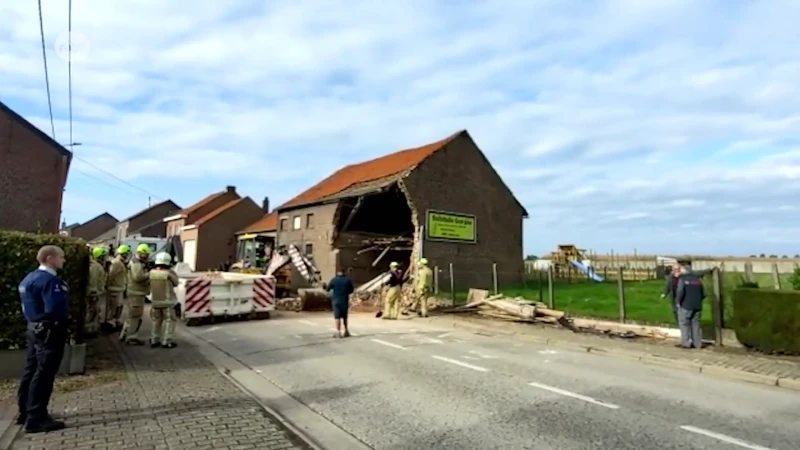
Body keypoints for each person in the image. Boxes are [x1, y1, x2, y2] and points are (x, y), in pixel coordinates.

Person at [16, 245, 69, 433]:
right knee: (44, 374)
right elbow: (54, 309)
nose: (63, 260)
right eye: (61, 257)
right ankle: (36, 417)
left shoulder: (29, 278)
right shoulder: (49, 281)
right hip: (48, 332)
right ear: (49, 258)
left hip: (33, 329)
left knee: (31, 371)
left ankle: (25, 411)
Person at [120, 244, 151, 345]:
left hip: (135, 292)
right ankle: (131, 337)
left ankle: (124, 334)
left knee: (131, 315)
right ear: (141, 253)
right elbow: (138, 277)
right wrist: (149, 274)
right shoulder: (137, 264)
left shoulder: (136, 262)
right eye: (146, 254)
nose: (147, 256)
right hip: (136, 293)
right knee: (135, 316)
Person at [149, 252, 179, 348]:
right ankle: (166, 341)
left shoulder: (151, 272)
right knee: (170, 321)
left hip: (155, 302)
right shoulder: (169, 273)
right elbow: (176, 283)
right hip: (167, 302)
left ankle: (154, 340)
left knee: (156, 321)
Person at [675, 265, 706, 349]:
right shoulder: (698, 280)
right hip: (697, 306)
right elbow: (704, 294)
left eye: (681, 269)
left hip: (686, 305)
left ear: (685, 271)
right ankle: (697, 344)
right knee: (696, 324)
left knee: (684, 324)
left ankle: (686, 343)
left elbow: (680, 291)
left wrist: (678, 302)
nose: (679, 271)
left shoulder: (683, 279)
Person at [107, 244, 130, 331]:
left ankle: (115, 322)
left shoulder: (120, 263)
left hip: (118, 288)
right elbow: (111, 275)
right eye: (126, 254)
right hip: (115, 289)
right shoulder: (117, 263)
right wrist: (108, 286)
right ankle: (111, 323)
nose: (127, 256)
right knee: (114, 307)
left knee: (119, 307)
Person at [87, 247, 108, 335]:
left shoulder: (95, 265)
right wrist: (94, 291)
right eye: (103, 257)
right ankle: (89, 330)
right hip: (94, 293)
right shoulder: (96, 266)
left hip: (96, 292)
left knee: (94, 311)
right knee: (93, 311)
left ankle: (92, 328)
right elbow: (94, 280)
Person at [327, 269, 355, 338]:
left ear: (337, 273)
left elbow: (328, 288)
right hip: (344, 300)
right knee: (345, 317)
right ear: (344, 272)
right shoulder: (347, 280)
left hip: (336, 300)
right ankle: (346, 331)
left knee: (337, 317)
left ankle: (338, 332)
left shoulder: (334, 280)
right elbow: (351, 290)